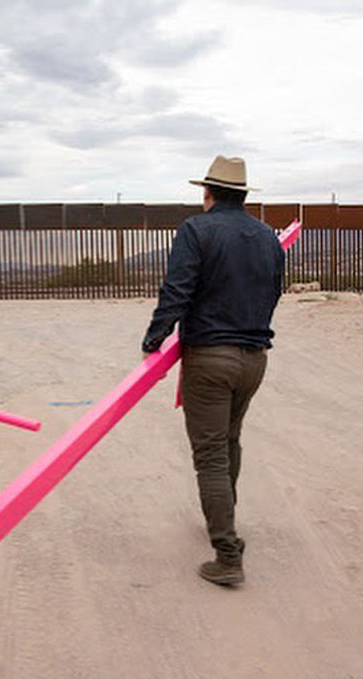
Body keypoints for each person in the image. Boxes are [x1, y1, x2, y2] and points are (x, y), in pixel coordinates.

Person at [141, 155, 285, 587]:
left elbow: (178, 289)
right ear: (242, 194)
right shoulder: (267, 237)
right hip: (254, 357)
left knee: (210, 456)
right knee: (229, 441)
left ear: (208, 193)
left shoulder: (196, 229)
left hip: (210, 357)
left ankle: (227, 554)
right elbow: (274, 291)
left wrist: (154, 338)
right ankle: (223, 520)